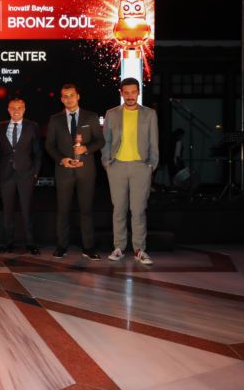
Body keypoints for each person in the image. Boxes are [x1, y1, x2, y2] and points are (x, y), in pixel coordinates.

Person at [101, 78, 159, 265]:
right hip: (116, 166)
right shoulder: (112, 113)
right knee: (119, 209)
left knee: (138, 210)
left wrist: (151, 165)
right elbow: (106, 140)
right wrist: (107, 162)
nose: (130, 96)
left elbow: (154, 142)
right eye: (126, 92)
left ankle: (139, 249)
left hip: (141, 167)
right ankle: (119, 247)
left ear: (138, 92)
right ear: (121, 93)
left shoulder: (149, 114)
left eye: (133, 92)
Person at [45, 84, 106, 260]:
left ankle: (88, 247)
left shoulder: (91, 116)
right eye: (65, 96)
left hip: (86, 171)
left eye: (72, 95)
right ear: (61, 99)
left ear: (78, 96)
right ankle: (61, 246)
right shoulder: (55, 119)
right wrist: (61, 159)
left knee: (86, 210)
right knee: (62, 211)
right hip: (64, 171)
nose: (69, 99)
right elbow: (49, 145)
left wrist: (86, 149)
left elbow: (100, 141)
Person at [0, 98, 43, 255]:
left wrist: (35, 172)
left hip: (26, 175)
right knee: (8, 211)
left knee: (27, 210)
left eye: (19, 107)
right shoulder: (0, 126)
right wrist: (4, 155)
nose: (16, 110)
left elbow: (38, 152)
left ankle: (31, 243)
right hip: (6, 174)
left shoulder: (32, 126)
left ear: (24, 109)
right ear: (8, 110)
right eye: (13, 108)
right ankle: (8, 242)